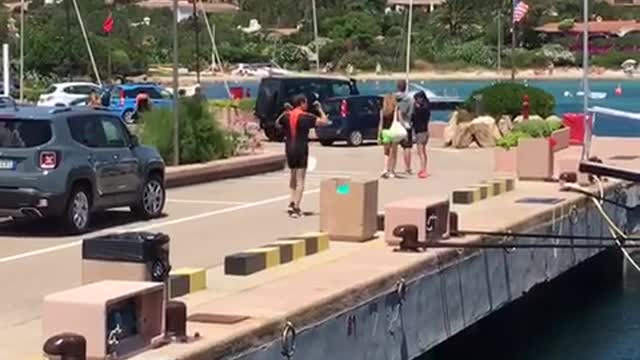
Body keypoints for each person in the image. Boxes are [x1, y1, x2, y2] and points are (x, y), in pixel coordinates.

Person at [278, 94, 329, 218]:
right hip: (301, 148)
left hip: (289, 148)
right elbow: (324, 121)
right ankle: (296, 206)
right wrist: (320, 109)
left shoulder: (287, 116)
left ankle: (291, 201)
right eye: (305, 103)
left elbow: (277, 123)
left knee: (293, 176)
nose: (307, 105)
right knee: (301, 179)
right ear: (301, 103)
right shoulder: (306, 117)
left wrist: (287, 110)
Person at [395, 80, 414, 174]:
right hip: (406, 125)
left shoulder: (393, 98)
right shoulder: (409, 99)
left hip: (394, 125)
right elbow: (410, 113)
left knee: (392, 147)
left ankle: (390, 168)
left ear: (397, 87)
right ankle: (407, 168)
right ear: (405, 87)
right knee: (407, 147)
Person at [378, 94, 398, 178]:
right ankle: (392, 170)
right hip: (393, 131)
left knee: (386, 152)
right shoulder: (395, 110)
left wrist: (379, 134)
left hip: (385, 131)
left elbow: (381, 122)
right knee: (393, 152)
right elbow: (396, 120)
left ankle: (385, 168)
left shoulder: (383, 110)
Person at [412, 91, 431, 178]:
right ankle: (424, 168)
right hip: (425, 131)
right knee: (423, 151)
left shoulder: (419, 110)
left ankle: (423, 169)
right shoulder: (427, 108)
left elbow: (414, 118)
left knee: (420, 152)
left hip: (420, 132)